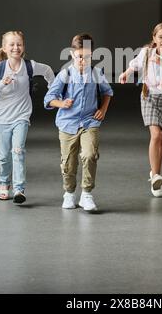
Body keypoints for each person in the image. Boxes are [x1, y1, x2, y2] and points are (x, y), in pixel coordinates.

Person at [44, 33, 113, 212]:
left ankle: (87, 194)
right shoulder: (65, 74)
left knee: (90, 154)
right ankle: (69, 193)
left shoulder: (97, 73)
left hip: (90, 122)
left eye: (88, 56)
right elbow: (49, 98)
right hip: (68, 123)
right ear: (72, 54)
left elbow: (108, 92)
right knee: (68, 162)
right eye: (80, 56)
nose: (84, 60)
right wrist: (61, 103)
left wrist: (103, 109)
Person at [0, 30, 55, 204]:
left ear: (23, 47)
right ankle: (3, 184)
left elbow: (47, 70)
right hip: (2, 117)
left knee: (18, 151)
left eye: (19, 44)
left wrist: (53, 90)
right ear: (4, 48)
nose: (16, 47)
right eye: (12, 44)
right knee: (3, 155)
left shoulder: (30, 66)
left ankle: (19, 188)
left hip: (22, 116)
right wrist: (3, 83)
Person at [119, 22, 162, 197]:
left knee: (161, 139)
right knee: (155, 135)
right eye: (160, 37)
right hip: (148, 96)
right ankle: (155, 176)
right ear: (154, 38)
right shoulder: (147, 53)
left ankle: (156, 173)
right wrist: (126, 73)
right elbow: (135, 65)